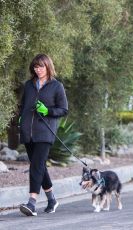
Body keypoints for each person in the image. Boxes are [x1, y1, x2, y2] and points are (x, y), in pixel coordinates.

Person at [19, 53, 68, 216]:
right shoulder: (29, 85)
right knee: (39, 166)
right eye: (35, 67)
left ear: (48, 66)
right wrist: (21, 120)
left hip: (45, 132)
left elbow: (63, 110)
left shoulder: (56, 86)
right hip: (28, 132)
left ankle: (32, 203)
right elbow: (23, 106)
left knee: (35, 165)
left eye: (41, 66)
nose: (38, 69)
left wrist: (47, 111)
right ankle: (52, 199)